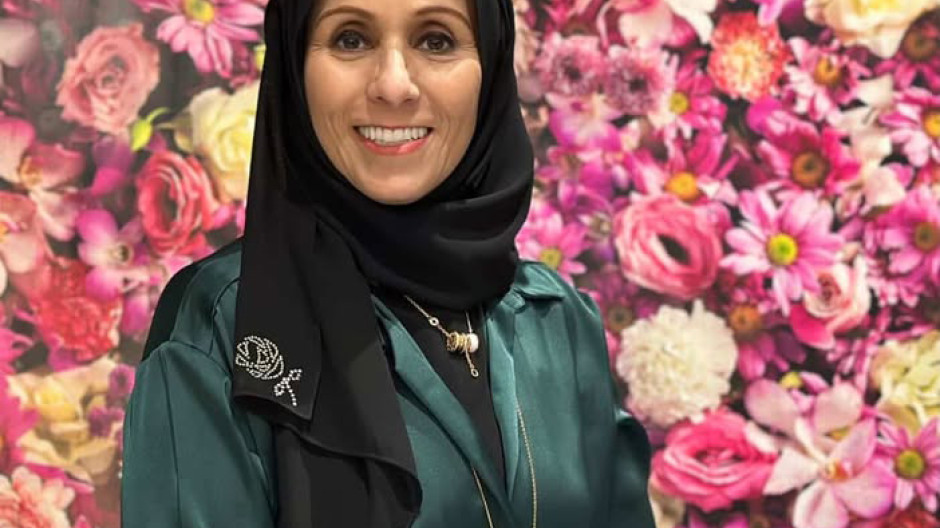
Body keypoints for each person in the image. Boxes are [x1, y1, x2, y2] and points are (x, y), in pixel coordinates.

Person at [120, 0, 657, 526]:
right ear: (295, 65)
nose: (394, 85)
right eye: (351, 39)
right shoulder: (226, 325)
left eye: (436, 40)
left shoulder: (558, 321)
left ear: (490, 63)